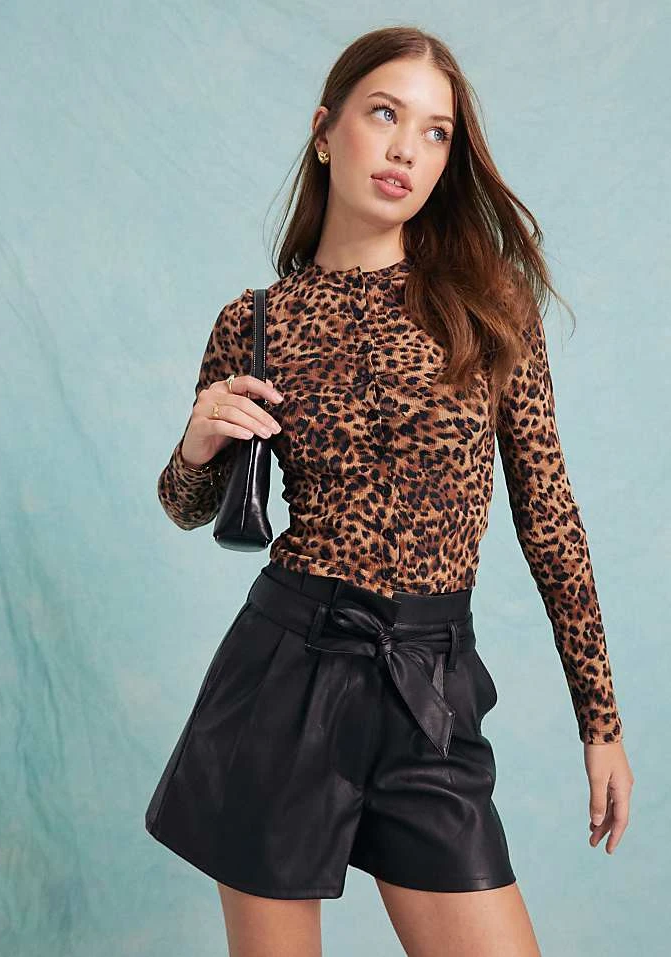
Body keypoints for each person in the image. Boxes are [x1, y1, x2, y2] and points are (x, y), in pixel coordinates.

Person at [145, 25, 634, 957]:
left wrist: (599, 720)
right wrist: (195, 445)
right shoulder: (256, 322)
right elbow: (187, 505)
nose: (408, 147)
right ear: (326, 131)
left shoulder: (488, 308)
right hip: (284, 677)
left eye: (436, 132)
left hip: (430, 686)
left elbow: (549, 517)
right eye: (384, 114)